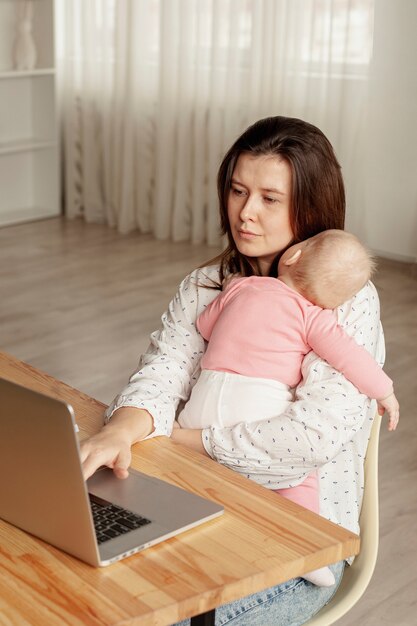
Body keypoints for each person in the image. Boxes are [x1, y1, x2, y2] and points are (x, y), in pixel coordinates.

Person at [81, 116, 387, 625]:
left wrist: (188, 439)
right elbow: (162, 373)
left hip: (299, 543)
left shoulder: (346, 304)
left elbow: (307, 441)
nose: (246, 213)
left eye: (271, 198)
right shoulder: (207, 284)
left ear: (311, 208)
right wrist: (119, 429)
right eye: (238, 190)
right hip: (196, 501)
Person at [178, 228, 399, 588]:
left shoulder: (243, 287)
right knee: (298, 475)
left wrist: (232, 295)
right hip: (257, 402)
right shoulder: (314, 317)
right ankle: (306, 550)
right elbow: (349, 357)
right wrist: (385, 391)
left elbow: (204, 326)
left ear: (293, 256)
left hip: (206, 396)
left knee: (182, 466)